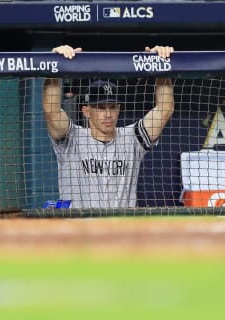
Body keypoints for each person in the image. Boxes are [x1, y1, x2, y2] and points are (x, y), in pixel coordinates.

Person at [43, 45, 174, 208]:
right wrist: (54, 64)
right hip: (79, 229)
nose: (108, 114)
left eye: (112, 107)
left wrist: (161, 65)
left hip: (118, 229)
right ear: (86, 111)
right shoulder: (72, 139)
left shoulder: (132, 138)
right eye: (100, 107)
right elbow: (52, 110)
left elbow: (164, 109)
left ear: (119, 109)